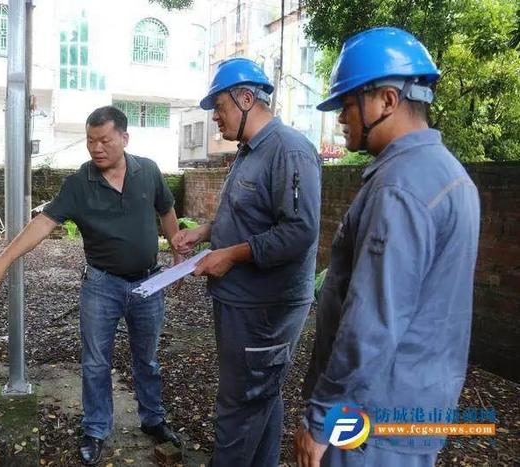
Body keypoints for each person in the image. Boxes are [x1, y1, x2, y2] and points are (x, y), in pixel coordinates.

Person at [294, 27, 480, 467]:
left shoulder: (399, 187)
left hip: (368, 422)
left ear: (387, 101)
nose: (341, 118)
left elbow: (370, 323)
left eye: (347, 103)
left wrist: (323, 422)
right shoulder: (451, 175)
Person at [0, 106, 182, 466]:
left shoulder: (148, 171)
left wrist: (177, 253)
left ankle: (153, 419)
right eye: (90, 140)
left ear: (124, 139)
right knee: (96, 362)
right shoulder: (79, 183)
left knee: (147, 358)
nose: (96, 148)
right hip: (102, 285)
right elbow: (42, 224)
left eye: (105, 140)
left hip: (148, 283)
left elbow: (167, 209)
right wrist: (0, 262)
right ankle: (96, 429)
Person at [172, 57, 322, 466]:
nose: (216, 118)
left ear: (244, 98)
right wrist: (204, 232)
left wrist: (231, 255)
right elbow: (245, 215)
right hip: (241, 300)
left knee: (239, 406)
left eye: (219, 108)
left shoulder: (289, 149)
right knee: (261, 396)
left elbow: (298, 232)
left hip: (266, 307)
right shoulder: (248, 151)